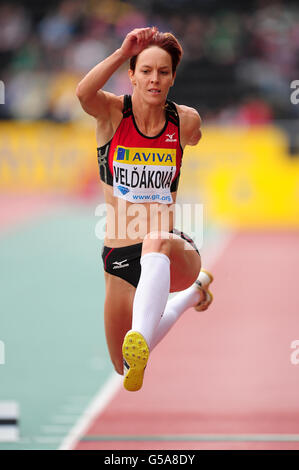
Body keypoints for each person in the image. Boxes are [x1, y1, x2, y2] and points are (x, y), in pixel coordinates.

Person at [76, 26, 213, 392]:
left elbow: (195, 136)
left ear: (171, 79)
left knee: (156, 237)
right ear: (132, 76)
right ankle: (192, 296)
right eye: (146, 71)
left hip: (170, 250)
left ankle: (168, 305)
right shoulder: (111, 114)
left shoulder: (184, 121)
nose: (155, 79)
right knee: (123, 367)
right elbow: (83, 93)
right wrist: (123, 51)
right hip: (118, 257)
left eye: (163, 72)